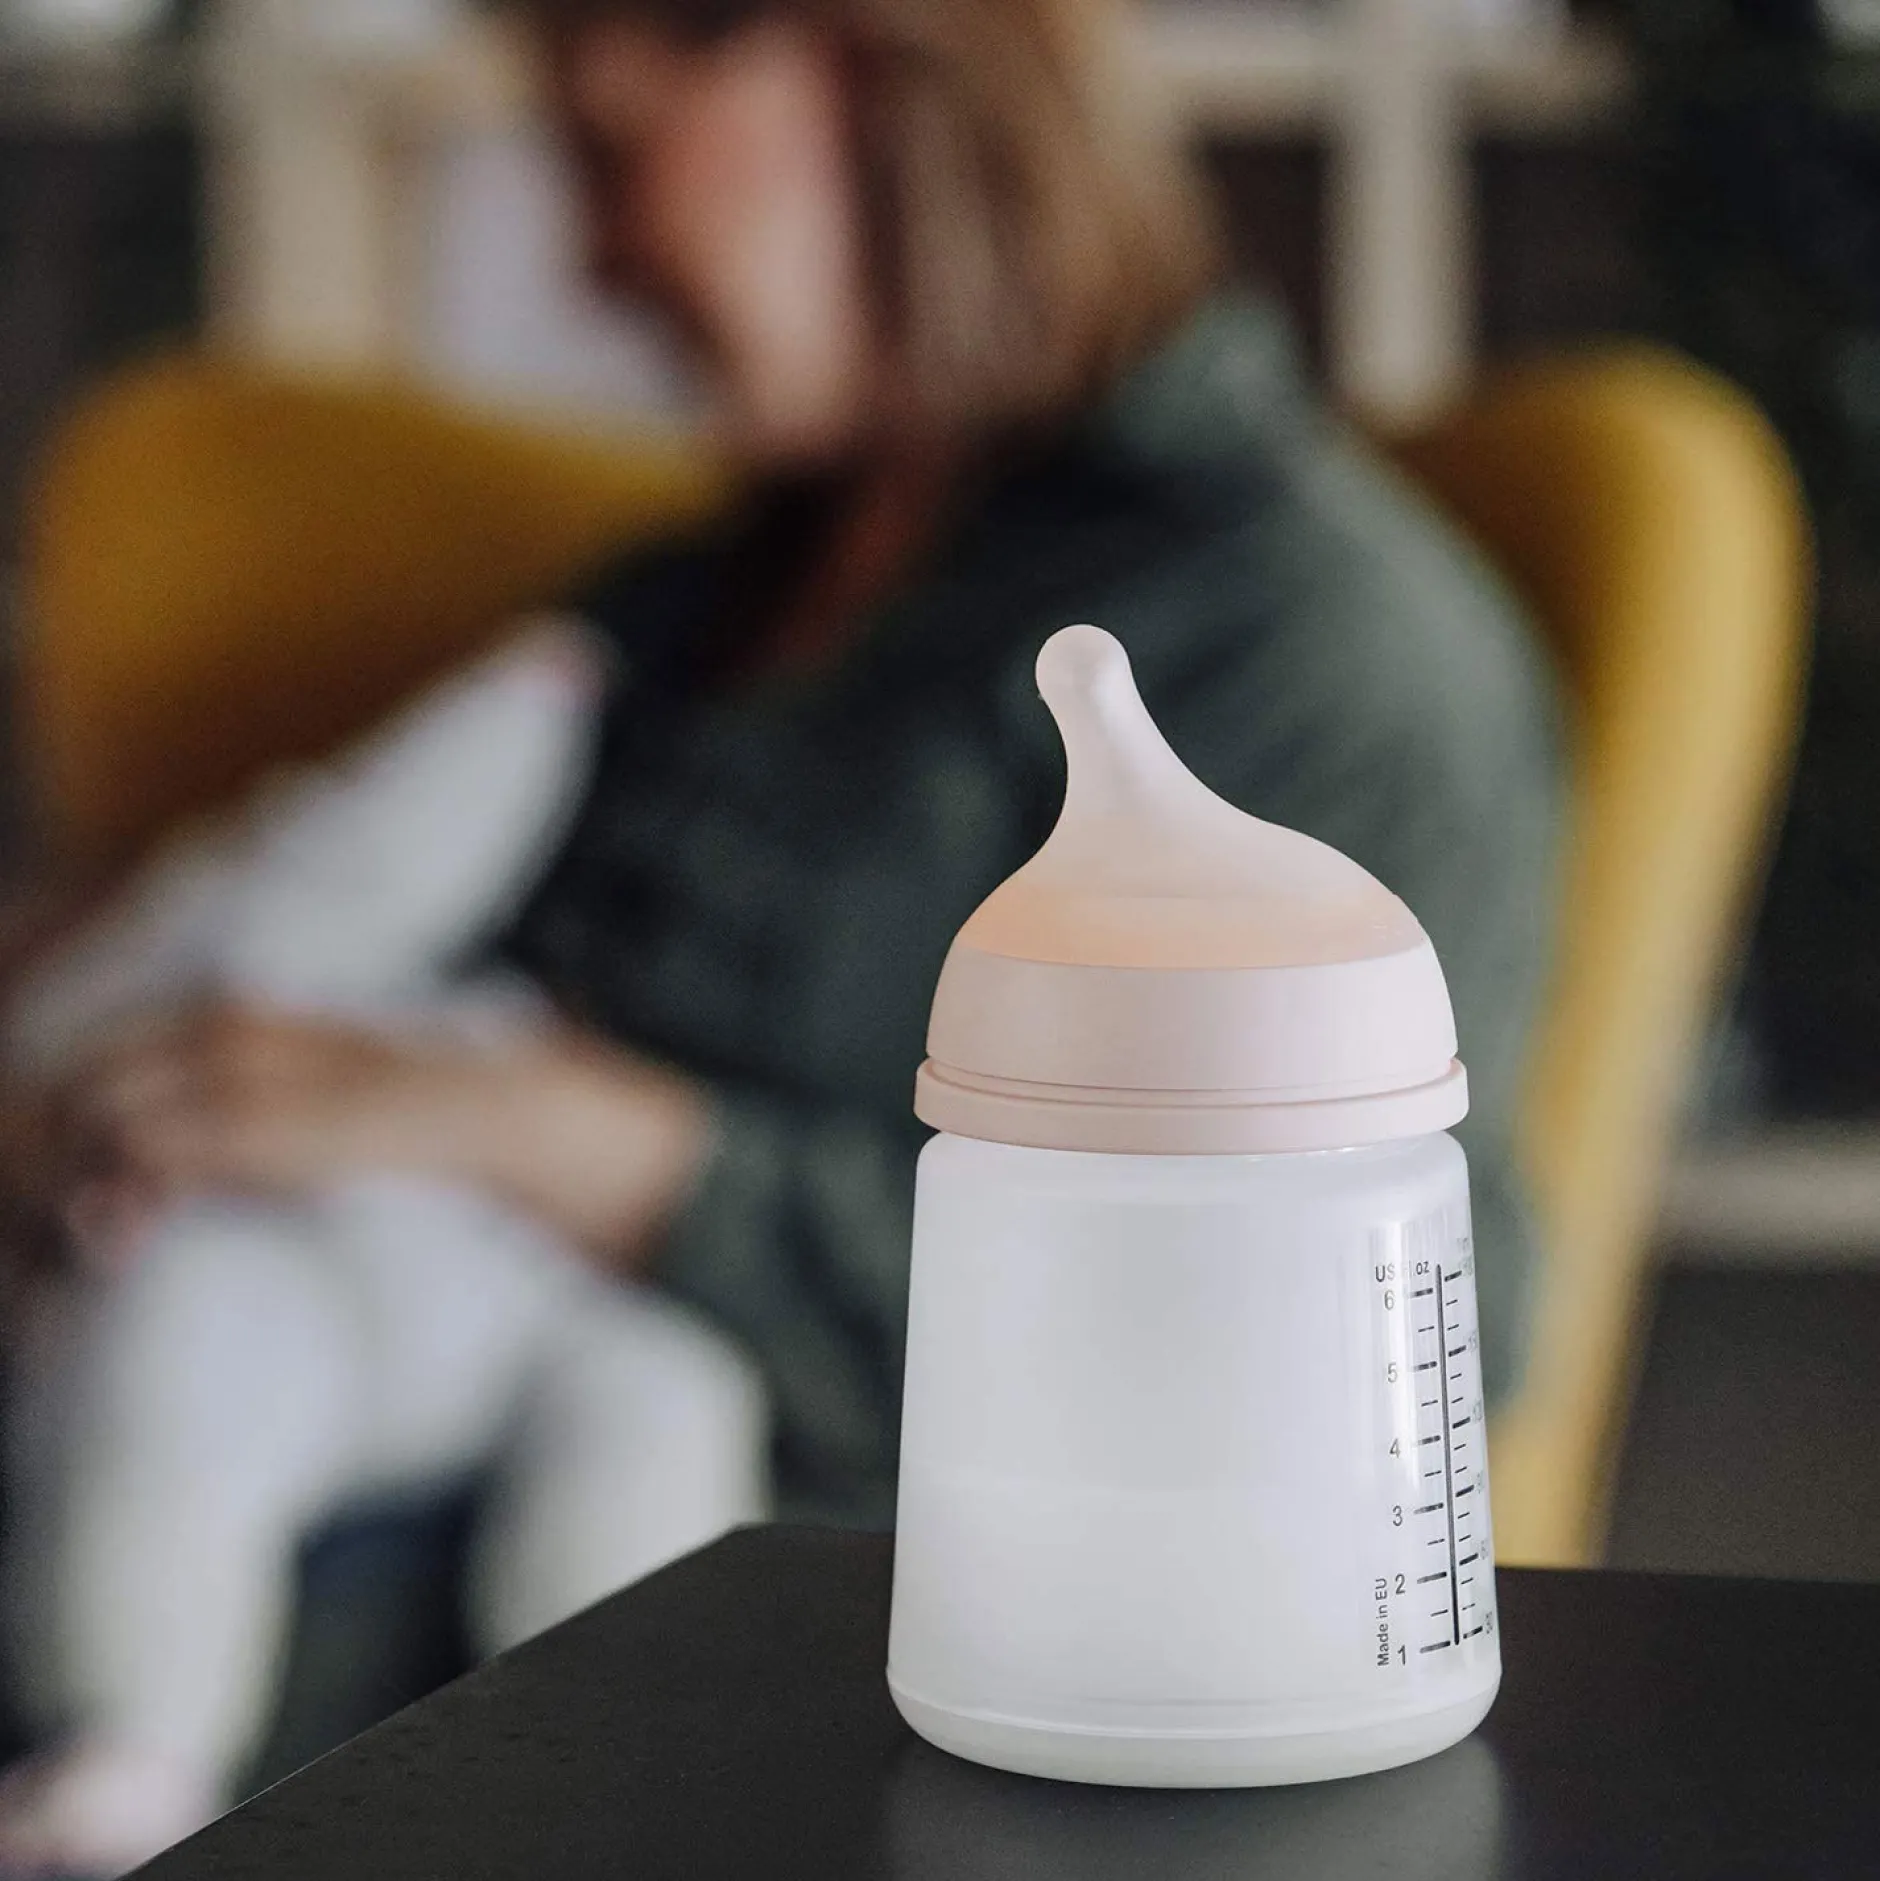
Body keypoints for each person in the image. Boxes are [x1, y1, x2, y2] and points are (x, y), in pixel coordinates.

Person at [0, 0, 1560, 1870]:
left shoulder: (1307, 639)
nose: (591, 260)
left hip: (758, 1601)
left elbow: (1397, 1348)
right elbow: (356, 883)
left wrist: (579, 1145)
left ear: (882, 71)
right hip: (323, 1373)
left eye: (613, 154)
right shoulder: (700, 597)